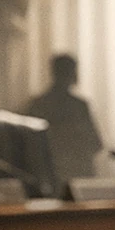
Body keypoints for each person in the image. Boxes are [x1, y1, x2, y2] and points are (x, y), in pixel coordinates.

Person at [25, 54, 104, 183]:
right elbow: (95, 143)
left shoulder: (38, 104)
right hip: (63, 175)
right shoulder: (79, 106)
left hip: (54, 174)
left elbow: (95, 143)